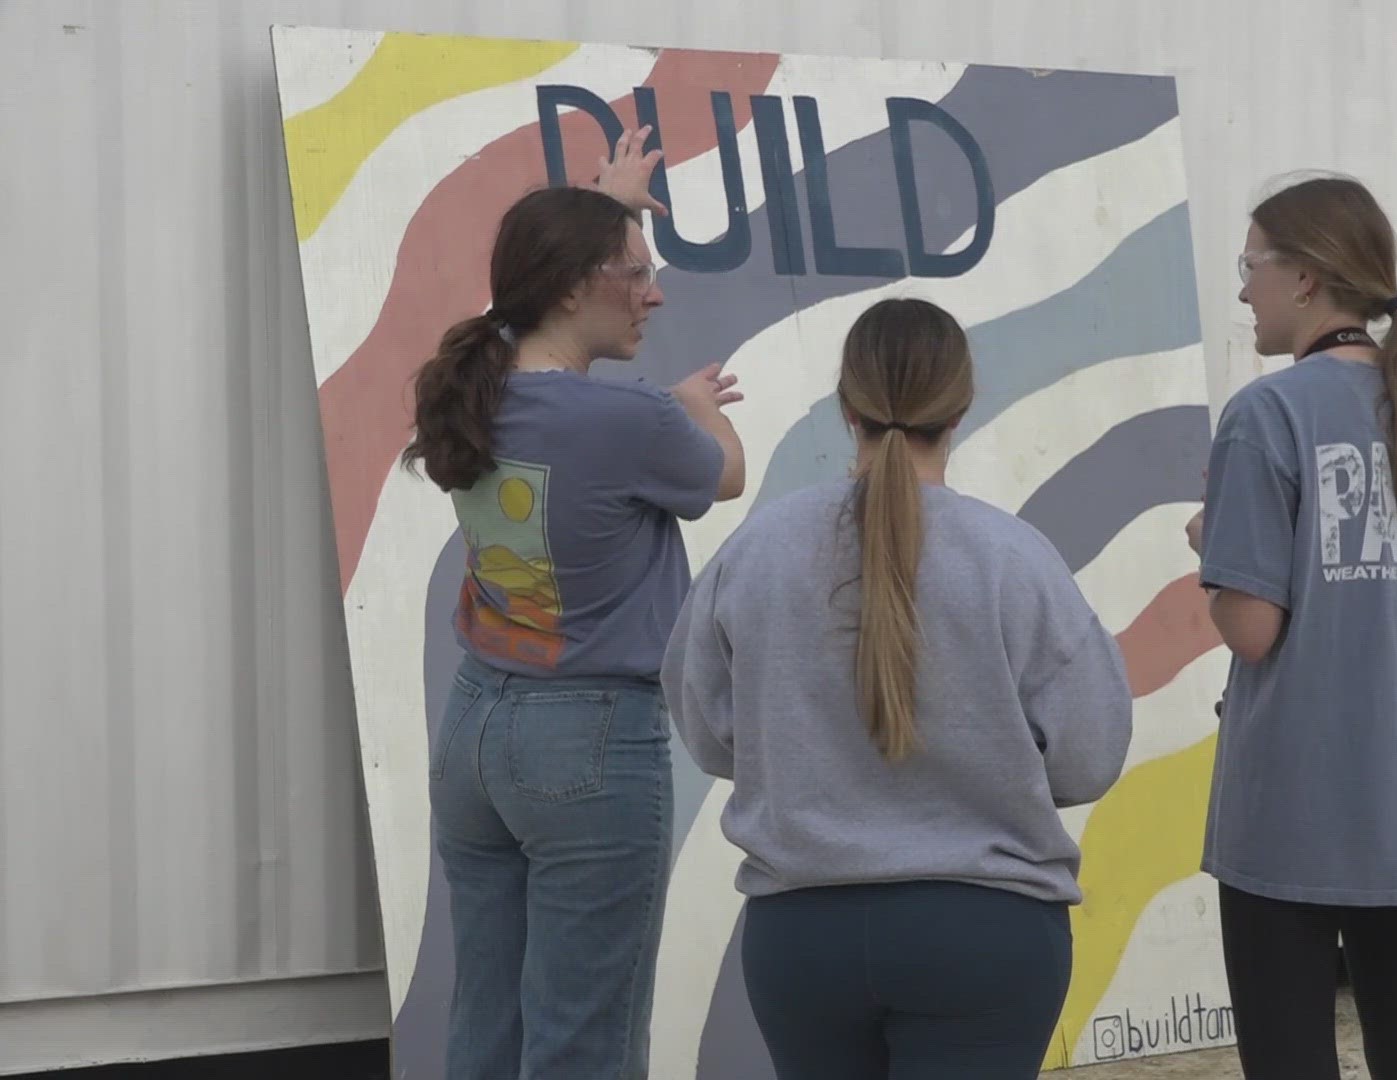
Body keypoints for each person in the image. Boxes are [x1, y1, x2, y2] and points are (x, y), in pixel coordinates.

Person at [662, 297, 1133, 1080]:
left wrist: (807, 751)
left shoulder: (760, 550)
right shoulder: (1016, 559)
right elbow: (1089, 756)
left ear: (845, 407)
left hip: (802, 935)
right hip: (985, 932)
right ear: (961, 405)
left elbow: (711, 733)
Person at [404, 128, 746, 1079]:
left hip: (476, 731)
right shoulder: (631, 420)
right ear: (571, 286)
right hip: (591, 746)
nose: (656, 292)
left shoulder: (465, 388)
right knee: (584, 1040)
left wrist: (613, 207)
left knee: (489, 1026)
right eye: (635, 273)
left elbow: (530, 294)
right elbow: (724, 474)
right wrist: (698, 408)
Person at [1191, 172, 1397, 1080]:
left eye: (1251, 265)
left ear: (1305, 279)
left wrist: (1213, 547)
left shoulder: (1267, 413)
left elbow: (1252, 630)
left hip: (1289, 817)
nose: (1244, 288)